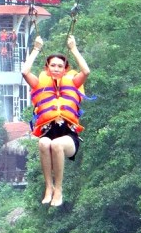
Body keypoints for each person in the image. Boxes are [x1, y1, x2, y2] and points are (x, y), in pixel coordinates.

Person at [21, 34, 90, 207]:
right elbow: (24, 72)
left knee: (56, 144)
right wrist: (36, 49)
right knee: (44, 143)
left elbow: (86, 71)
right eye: (53, 65)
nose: (56, 68)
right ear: (47, 67)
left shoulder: (73, 82)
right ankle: (48, 187)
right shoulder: (39, 84)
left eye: (60, 66)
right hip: (48, 132)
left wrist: (73, 48)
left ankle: (58, 189)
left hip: (69, 137)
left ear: (65, 69)